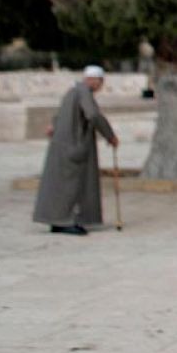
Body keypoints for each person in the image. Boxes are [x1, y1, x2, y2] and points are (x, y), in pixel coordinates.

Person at [33, 65, 118, 236]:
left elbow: (60, 116)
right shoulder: (84, 93)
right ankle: (66, 221)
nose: (100, 86)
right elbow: (93, 115)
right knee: (71, 186)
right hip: (74, 147)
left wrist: (54, 126)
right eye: (100, 82)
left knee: (59, 186)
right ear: (94, 80)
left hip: (61, 146)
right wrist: (109, 135)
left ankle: (57, 220)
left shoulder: (71, 92)